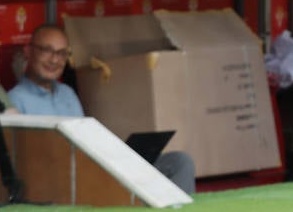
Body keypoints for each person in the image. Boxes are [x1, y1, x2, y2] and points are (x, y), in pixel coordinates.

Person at [10, 24, 196, 195]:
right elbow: (26, 165)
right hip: (62, 179)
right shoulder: (15, 100)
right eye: (47, 50)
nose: (54, 60)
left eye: (61, 53)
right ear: (28, 51)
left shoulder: (67, 93)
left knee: (180, 162)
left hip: (94, 165)